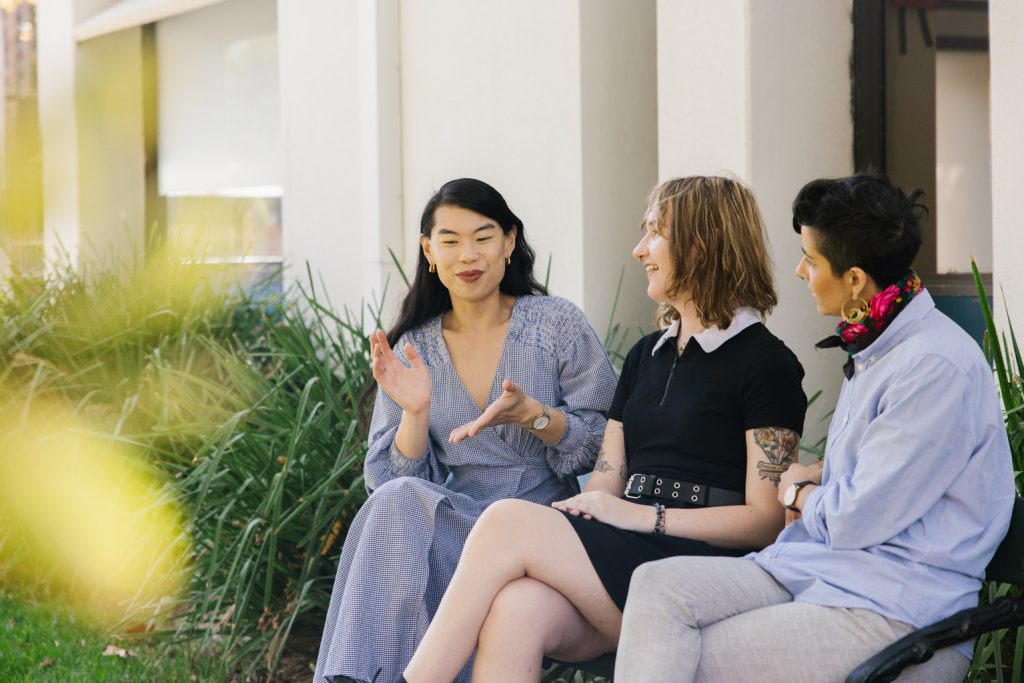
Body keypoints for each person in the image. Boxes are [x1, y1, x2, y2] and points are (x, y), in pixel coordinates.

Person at [402, 175, 808, 682]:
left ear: (699, 247)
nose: (639, 250)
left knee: (508, 520)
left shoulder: (765, 362)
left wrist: (645, 519)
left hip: (698, 569)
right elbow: (605, 481)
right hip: (624, 554)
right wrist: (585, 512)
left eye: (654, 233)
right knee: (518, 608)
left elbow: (764, 520)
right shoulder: (646, 356)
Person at [614, 173, 1016, 682]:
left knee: (680, 655)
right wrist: (815, 474)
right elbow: (882, 468)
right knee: (657, 587)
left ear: (853, 280)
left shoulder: (932, 367)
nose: (800, 270)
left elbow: (855, 518)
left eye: (813, 260)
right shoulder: (879, 347)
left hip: (894, 608)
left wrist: (795, 493)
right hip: (824, 574)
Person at [312, 178, 617, 683]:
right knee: (398, 502)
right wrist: (416, 411)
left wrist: (536, 416)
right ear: (429, 250)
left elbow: (607, 438)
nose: (467, 255)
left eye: (484, 236)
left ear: (510, 242)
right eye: (450, 241)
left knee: (403, 509)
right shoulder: (415, 345)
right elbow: (388, 482)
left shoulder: (555, 324)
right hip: (458, 530)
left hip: (544, 528)